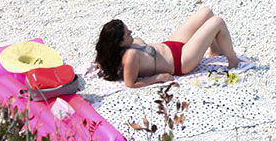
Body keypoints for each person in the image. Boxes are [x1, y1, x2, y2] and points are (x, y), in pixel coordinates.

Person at [94, 7, 241, 88]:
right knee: (217, 22)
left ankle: (215, 51)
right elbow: (130, 83)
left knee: (206, 12)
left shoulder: (122, 48)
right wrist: (157, 78)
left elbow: (103, 58)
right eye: (127, 33)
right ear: (120, 43)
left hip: (171, 45)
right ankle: (233, 61)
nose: (131, 32)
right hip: (181, 61)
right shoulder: (130, 57)